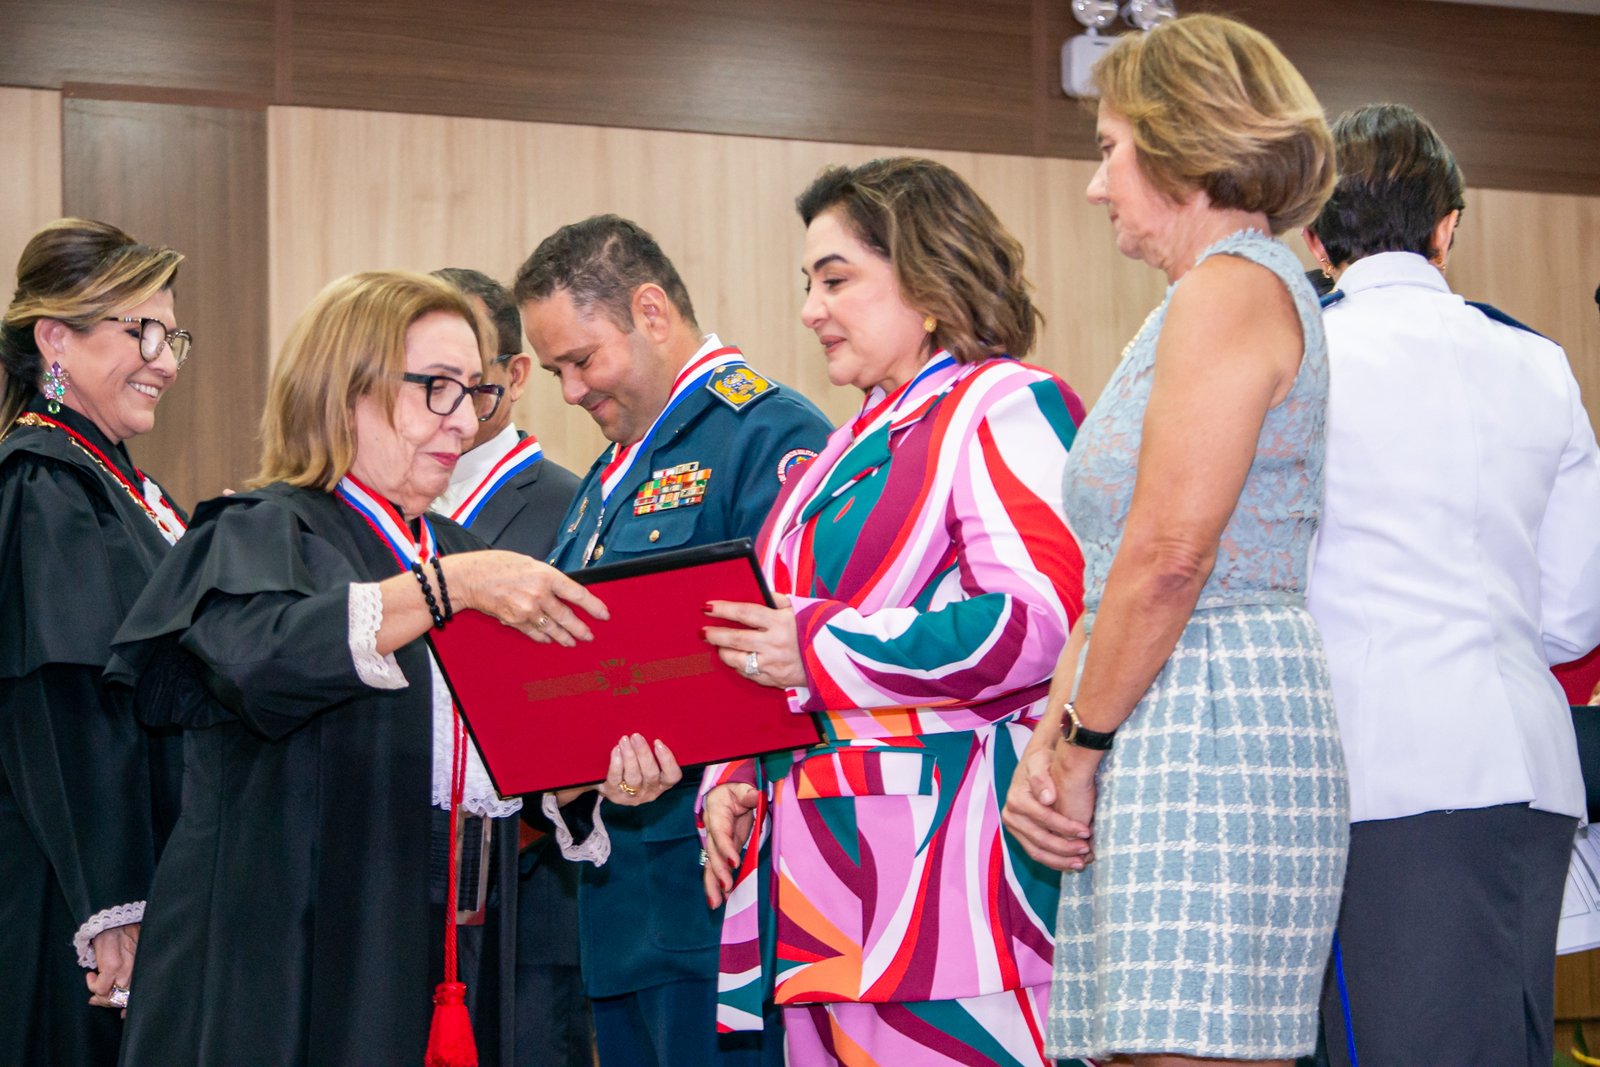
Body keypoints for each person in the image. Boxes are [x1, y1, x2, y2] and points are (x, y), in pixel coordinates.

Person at [105, 270, 610, 1066]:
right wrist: (443, 590)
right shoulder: (261, 529)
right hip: (293, 959)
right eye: (436, 388)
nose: (463, 420)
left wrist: (594, 778)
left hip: (450, 953)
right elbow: (263, 663)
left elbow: (501, 767)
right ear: (346, 393)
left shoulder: (463, 553)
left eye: (474, 391)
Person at [1002, 15, 1345, 1065]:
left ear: (1180, 145)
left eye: (1109, 148)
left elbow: (1168, 558)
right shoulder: (1192, 301)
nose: (1096, 184)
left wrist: (1079, 743)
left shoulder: (1231, 288)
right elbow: (1118, 567)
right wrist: (1052, 740)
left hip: (1211, 707)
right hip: (1155, 697)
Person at [698, 156, 1089, 1066]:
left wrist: (817, 647)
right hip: (822, 891)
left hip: (954, 886)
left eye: (836, 279)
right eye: (808, 284)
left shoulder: (1001, 403)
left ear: (930, 278)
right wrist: (732, 774)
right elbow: (775, 650)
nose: (811, 309)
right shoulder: (837, 450)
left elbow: (1035, 625)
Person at [1302, 103, 1600, 1067]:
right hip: (1532, 770)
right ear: (1448, 226)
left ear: (1314, 238)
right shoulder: (1540, 360)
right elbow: (1574, 614)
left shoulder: (1300, 356)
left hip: (1379, 768)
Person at [513, 214, 831, 1067]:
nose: (570, 390)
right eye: (555, 370)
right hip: (620, 905)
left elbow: (795, 672)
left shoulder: (765, 434)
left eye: (581, 360)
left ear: (650, 312)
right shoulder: (612, 471)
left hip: (717, 900)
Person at [0, 218, 190, 1067]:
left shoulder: (122, 480)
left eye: (172, 336)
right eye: (142, 330)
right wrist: (113, 906)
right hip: (71, 896)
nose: (166, 360)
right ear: (55, 340)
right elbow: (60, 705)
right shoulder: (44, 481)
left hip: (141, 875)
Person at [429, 266, 591, 1067]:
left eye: (468, 381)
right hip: (405, 892)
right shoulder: (378, 508)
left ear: (515, 374)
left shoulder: (576, 506)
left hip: (530, 891)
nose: (448, 406)